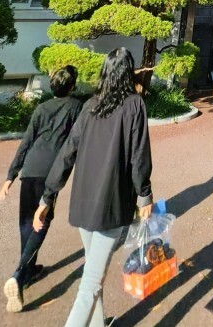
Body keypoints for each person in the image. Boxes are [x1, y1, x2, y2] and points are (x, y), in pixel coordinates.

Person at [32, 48, 153, 327]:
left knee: (93, 272)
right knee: (91, 283)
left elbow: (67, 152)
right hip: (112, 204)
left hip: (83, 202)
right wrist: (144, 195)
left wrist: (48, 196)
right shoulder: (134, 105)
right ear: (128, 73)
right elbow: (139, 156)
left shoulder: (90, 106)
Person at [0, 65, 81, 313]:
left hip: (30, 168)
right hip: (51, 172)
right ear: (72, 86)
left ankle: (30, 269)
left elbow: (26, 142)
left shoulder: (41, 108)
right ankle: (19, 274)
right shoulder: (75, 107)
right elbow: (78, 140)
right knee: (41, 221)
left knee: (26, 221)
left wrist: (11, 176)